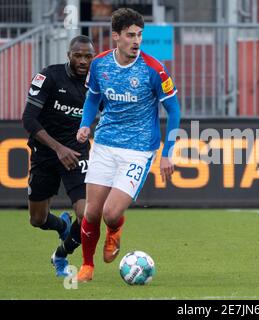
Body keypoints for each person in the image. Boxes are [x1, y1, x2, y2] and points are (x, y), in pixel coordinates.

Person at [75, 8, 181, 282]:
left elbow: (175, 110)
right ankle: (87, 266)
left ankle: (115, 230)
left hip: (138, 150)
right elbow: (92, 99)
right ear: (116, 37)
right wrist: (86, 124)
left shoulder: (153, 69)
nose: (136, 41)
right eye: (131, 35)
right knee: (91, 211)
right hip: (105, 145)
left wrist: (167, 153)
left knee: (111, 213)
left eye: (140, 35)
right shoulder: (99, 65)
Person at [22, 35, 95, 277]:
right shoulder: (49, 76)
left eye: (88, 56)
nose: (83, 60)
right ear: (69, 55)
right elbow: (29, 119)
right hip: (45, 152)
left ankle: (61, 255)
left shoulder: (95, 86)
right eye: (78, 55)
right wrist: (57, 148)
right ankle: (62, 225)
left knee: (87, 214)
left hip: (77, 153)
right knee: (37, 219)